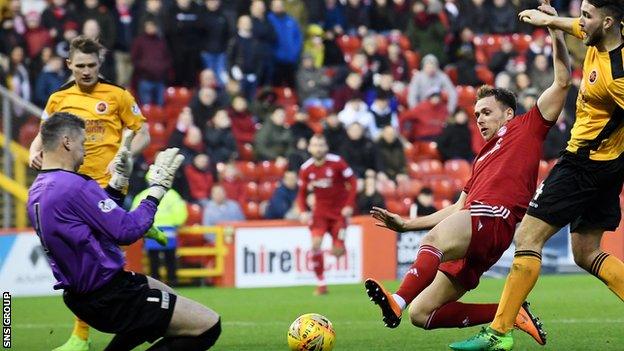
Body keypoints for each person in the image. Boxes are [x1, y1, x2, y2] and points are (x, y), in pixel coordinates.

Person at [365, 11, 572, 348]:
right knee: (423, 314)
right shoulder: (481, 157)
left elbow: (562, 81)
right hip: (474, 228)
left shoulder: (528, 126)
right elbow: (458, 208)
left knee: (433, 244)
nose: (479, 119)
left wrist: (554, 29)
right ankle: (510, 313)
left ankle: (396, 301)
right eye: (476, 114)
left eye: (486, 112)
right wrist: (405, 224)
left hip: (494, 220)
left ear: (508, 113)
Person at [452, 1, 624, 349]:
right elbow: (575, 27)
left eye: (587, 16)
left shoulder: (617, 76)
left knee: (528, 237)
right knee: (586, 252)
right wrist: (550, 23)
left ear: (607, 22)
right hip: (608, 164)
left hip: (583, 164)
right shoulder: (602, 37)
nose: (580, 21)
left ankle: (498, 333)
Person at [27, 112, 221, 351]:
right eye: (82, 143)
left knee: (169, 299)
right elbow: (126, 231)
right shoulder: (72, 185)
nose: (85, 151)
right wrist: (158, 189)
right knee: (208, 325)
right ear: (67, 142)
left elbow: (99, 224)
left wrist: (119, 182)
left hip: (86, 295)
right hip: (110, 295)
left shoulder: (39, 189)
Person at [28, 36, 151, 351]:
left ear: (100, 64)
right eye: (79, 65)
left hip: (106, 185)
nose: (85, 71)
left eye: (91, 65)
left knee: (96, 259)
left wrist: (126, 153)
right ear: (69, 64)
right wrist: (33, 148)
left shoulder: (118, 95)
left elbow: (142, 131)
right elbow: (45, 131)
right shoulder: (59, 98)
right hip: (71, 188)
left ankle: (80, 338)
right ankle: (144, 224)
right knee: (89, 258)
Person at [297, 135, 357, 295]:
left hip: (339, 215)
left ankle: (340, 246)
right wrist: (303, 211)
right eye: (315, 145)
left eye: (321, 145)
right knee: (315, 244)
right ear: (310, 148)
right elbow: (301, 193)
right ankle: (321, 284)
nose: (318, 148)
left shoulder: (337, 162)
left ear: (326, 147)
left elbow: (353, 182)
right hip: (320, 214)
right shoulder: (306, 168)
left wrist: (349, 205)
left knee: (337, 252)